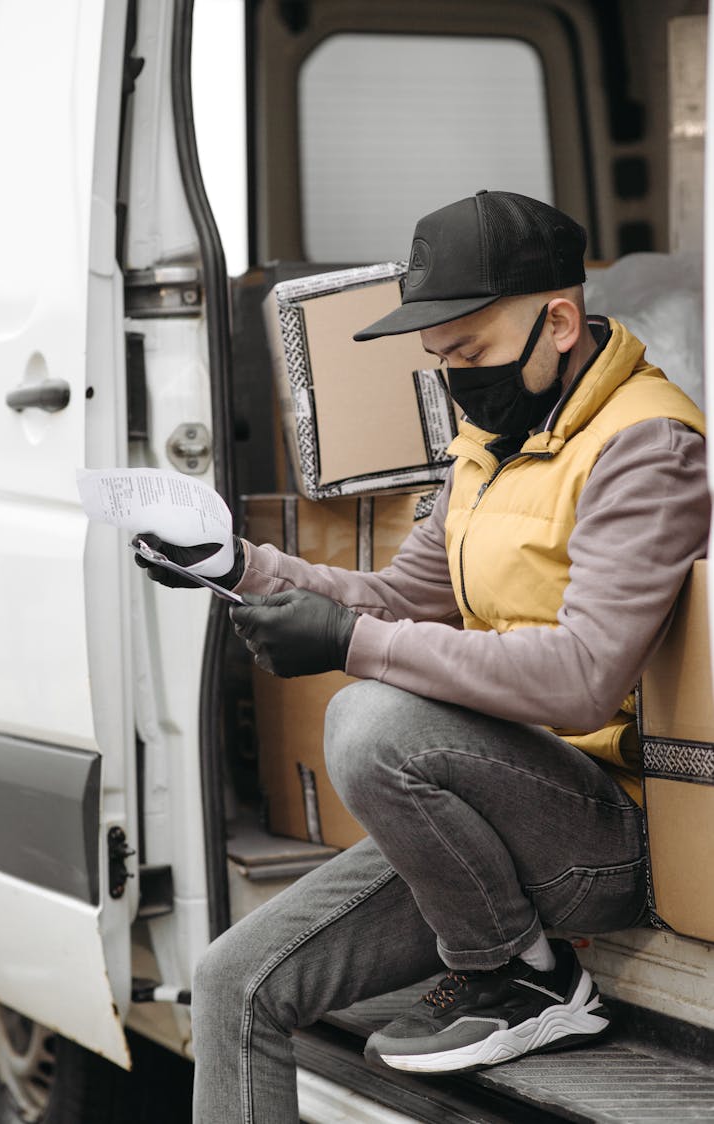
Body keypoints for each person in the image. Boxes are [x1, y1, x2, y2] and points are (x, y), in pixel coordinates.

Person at [136, 190, 709, 1124]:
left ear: (559, 322)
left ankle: (524, 977)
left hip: (616, 832)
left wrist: (351, 645)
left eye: (472, 355)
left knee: (370, 717)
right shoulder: (489, 439)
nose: (458, 384)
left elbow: (581, 678)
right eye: (440, 362)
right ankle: (512, 962)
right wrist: (238, 565)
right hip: (493, 808)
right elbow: (403, 600)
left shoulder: (647, 447)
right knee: (234, 981)